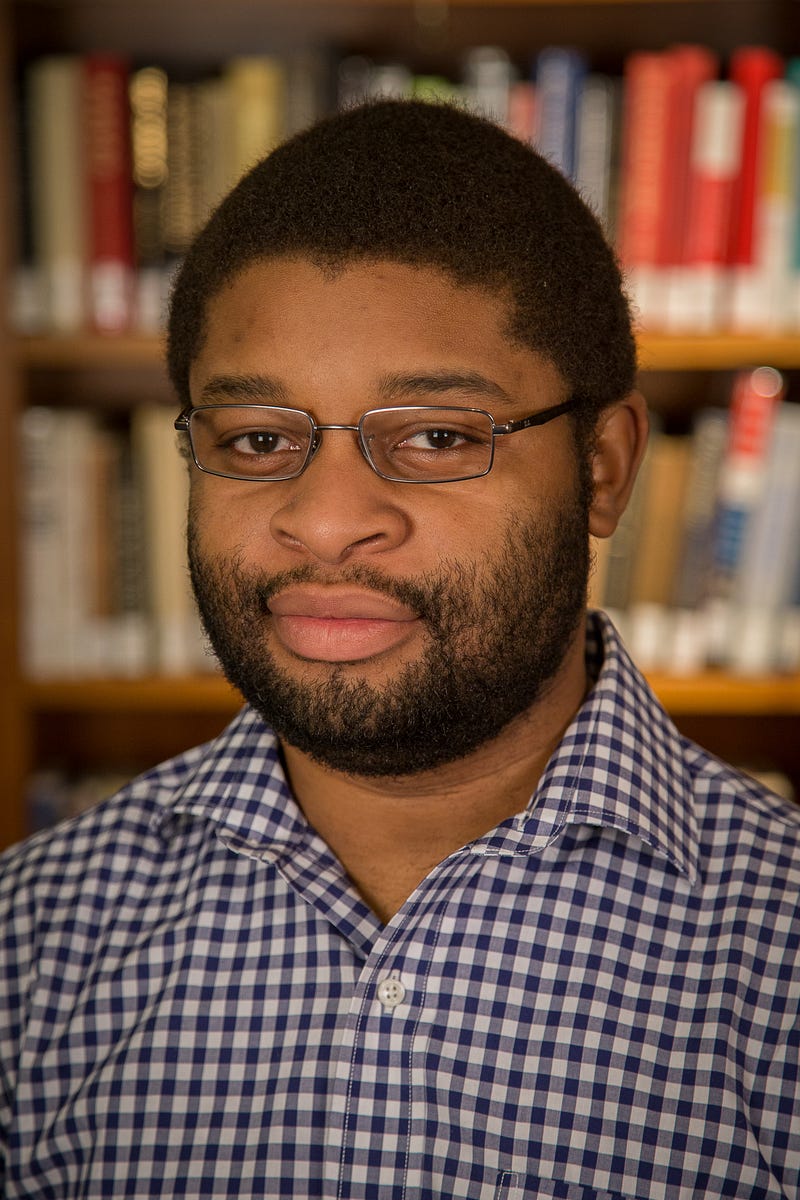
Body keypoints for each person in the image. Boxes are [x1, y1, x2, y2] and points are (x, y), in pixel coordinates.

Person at [1, 98, 798, 1200]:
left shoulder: (777, 949)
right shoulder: (30, 948)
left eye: (433, 436)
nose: (326, 522)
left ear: (603, 469)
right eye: (259, 439)